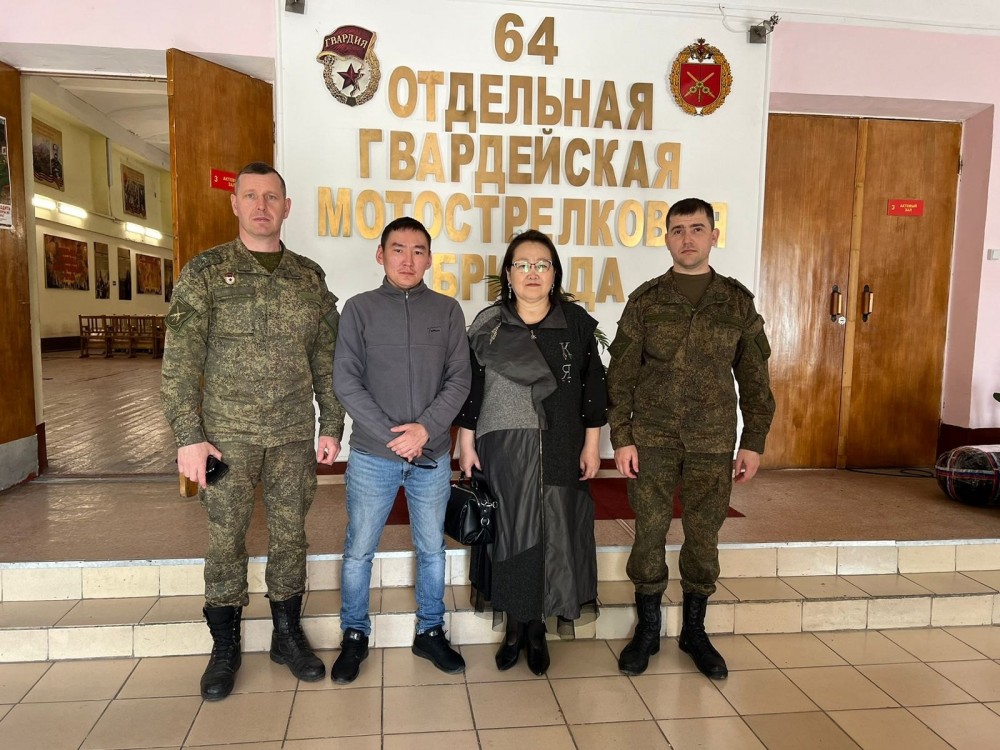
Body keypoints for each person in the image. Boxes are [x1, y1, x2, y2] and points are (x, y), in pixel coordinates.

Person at [160, 162, 344, 700]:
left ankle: (287, 635)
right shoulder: (206, 272)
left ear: (287, 207)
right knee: (225, 540)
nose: (261, 206)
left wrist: (332, 423)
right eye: (250, 196)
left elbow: (327, 359)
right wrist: (187, 436)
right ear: (234, 203)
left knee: (291, 536)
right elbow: (179, 363)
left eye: (271, 197)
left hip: (292, 435)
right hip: (226, 438)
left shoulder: (309, 278)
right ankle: (225, 647)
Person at [606, 197, 775, 680]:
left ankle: (695, 632)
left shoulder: (736, 302)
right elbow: (620, 376)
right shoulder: (646, 300)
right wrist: (622, 437)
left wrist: (753, 441)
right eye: (678, 230)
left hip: (712, 439)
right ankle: (647, 630)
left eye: (697, 229)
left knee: (704, 534)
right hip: (653, 436)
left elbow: (755, 379)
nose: (687, 239)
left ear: (713, 236)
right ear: (666, 239)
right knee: (650, 531)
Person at [456, 230, 608, 675]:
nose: (532, 273)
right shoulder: (490, 324)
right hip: (502, 447)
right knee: (510, 533)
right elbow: (471, 387)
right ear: (508, 274)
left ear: (555, 273)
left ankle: (537, 627)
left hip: (561, 443)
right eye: (522, 264)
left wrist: (592, 444)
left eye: (542, 264)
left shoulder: (575, 323)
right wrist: (465, 441)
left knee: (553, 533)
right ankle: (514, 627)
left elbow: (593, 387)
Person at [331, 216, 471, 683]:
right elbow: (345, 380)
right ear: (381, 255)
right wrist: (396, 437)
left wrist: (425, 430)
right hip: (374, 455)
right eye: (398, 249)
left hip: (431, 456)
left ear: (429, 259)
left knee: (431, 549)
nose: (407, 260)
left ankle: (430, 630)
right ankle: (354, 634)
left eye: (418, 251)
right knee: (359, 550)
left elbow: (460, 379)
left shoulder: (447, 311)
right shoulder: (359, 309)